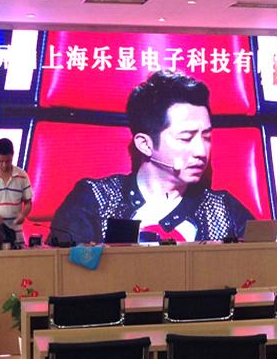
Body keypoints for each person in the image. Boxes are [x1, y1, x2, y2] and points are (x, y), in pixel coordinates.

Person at [49, 70, 254, 244]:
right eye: (186, 138)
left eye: (206, 137)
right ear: (145, 144)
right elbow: (67, 268)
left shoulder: (225, 210)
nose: (201, 151)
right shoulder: (95, 200)